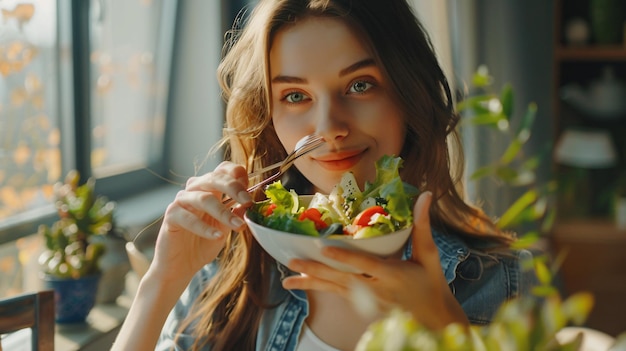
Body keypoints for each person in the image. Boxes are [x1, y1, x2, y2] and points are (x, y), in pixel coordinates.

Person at [112, 0, 536, 350]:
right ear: (269, 115)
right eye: (295, 96)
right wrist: (162, 282)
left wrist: (448, 331)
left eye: (360, 85)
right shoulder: (225, 271)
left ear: (409, 95)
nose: (330, 127)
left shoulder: (498, 279)